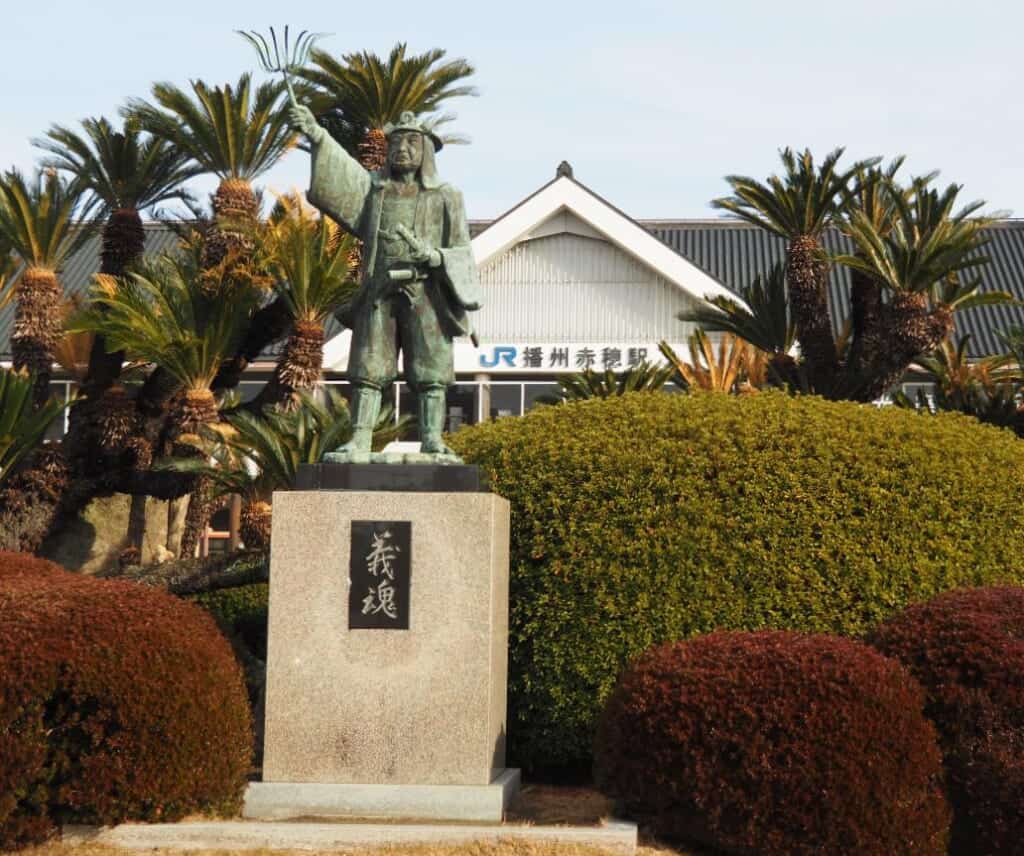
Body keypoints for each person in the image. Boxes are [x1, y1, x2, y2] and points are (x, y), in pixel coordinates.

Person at [289, 104, 481, 457]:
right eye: (396, 143)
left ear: (425, 151)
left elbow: (462, 251)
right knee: (368, 366)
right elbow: (342, 175)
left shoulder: (445, 196)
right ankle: (360, 439)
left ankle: (432, 439)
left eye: (411, 142)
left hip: (427, 290)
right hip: (379, 289)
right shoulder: (375, 192)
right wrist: (316, 133)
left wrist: (436, 257)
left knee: (431, 370)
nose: (402, 149)